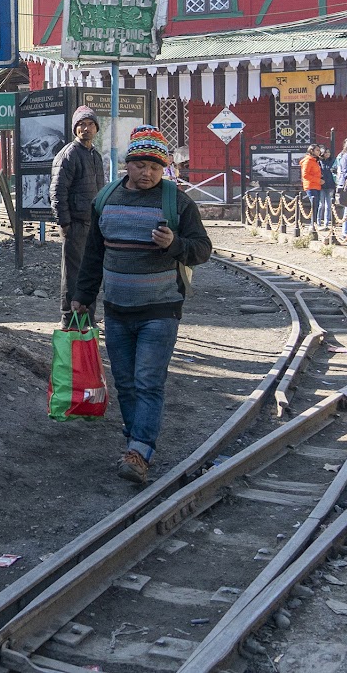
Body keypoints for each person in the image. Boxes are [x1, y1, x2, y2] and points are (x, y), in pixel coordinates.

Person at [72, 126, 212, 485]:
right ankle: (136, 439)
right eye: (140, 165)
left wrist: (175, 244)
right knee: (126, 382)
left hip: (160, 309)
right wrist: (82, 297)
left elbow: (202, 249)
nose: (147, 172)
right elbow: (93, 253)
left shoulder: (177, 201)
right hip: (116, 309)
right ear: (128, 165)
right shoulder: (106, 198)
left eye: (155, 166)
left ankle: (140, 450)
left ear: (164, 168)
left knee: (148, 381)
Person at [50, 105, 108, 319]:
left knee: (90, 272)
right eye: (81, 125)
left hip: (93, 224)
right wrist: (64, 223)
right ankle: (69, 317)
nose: (86, 128)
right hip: (75, 224)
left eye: (90, 124)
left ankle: (88, 317)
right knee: (73, 273)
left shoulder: (95, 156)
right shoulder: (69, 154)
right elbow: (57, 190)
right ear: (75, 129)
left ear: (96, 128)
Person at [300, 144, 324, 226]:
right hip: (311, 185)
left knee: (316, 205)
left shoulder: (315, 161)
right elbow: (305, 175)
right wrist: (318, 180)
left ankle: (314, 223)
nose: (319, 152)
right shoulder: (308, 161)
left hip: (316, 185)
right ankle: (312, 224)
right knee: (314, 204)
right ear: (311, 151)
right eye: (317, 150)